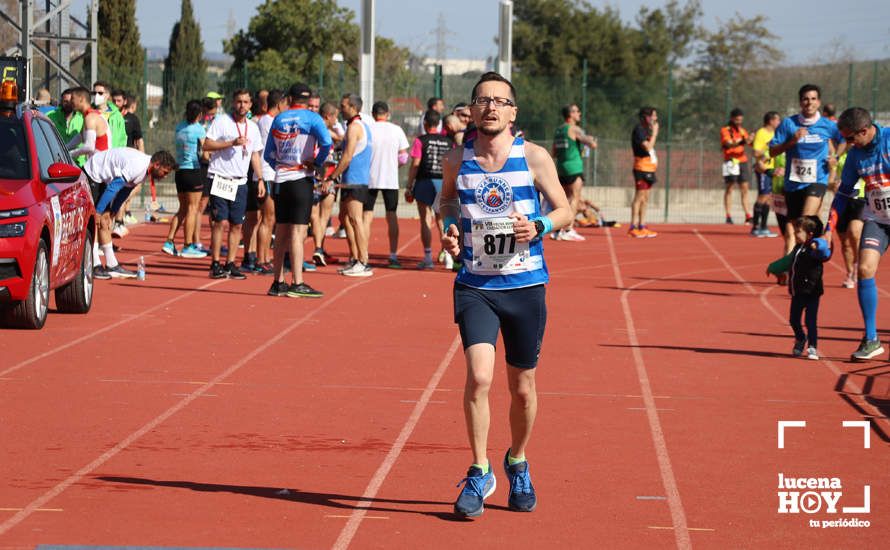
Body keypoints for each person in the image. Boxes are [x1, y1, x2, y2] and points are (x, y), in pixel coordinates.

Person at [439, 71, 573, 518]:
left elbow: (565, 208)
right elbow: (446, 204)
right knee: (479, 377)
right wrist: (449, 229)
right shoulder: (457, 158)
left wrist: (539, 226)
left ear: (513, 111)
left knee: (522, 389)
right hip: (476, 285)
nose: (491, 107)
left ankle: (517, 460)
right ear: (472, 110)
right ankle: (479, 471)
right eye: (483, 100)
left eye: (500, 101)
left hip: (525, 285)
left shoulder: (532, 157)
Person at [827, 107, 890, 360]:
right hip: (877, 219)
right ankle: (872, 338)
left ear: (864, 130)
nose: (848, 144)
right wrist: (827, 230)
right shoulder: (855, 156)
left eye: (851, 138)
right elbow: (843, 194)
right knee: (864, 269)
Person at [263, 83, 332, 297]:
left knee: (281, 231)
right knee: (298, 231)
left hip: (280, 180)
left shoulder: (279, 118)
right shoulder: (312, 118)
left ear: (290, 98)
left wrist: (281, 168)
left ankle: (277, 282)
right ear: (308, 99)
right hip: (301, 178)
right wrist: (316, 163)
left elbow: (268, 155)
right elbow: (327, 143)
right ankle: (297, 282)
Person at [201, 88, 266, 280]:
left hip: (240, 181)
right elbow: (206, 145)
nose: (242, 106)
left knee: (237, 224)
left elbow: (254, 154)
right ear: (233, 102)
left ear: (251, 104)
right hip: (220, 177)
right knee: (220, 221)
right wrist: (231, 143)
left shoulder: (253, 127)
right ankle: (215, 263)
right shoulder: (222, 122)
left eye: (246, 102)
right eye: (239, 102)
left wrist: (260, 179)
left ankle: (230, 263)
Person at [83, 148, 177, 278]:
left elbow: (124, 191)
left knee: (105, 221)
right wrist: (98, 211)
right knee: (95, 220)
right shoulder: (138, 167)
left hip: (104, 178)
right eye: (164, 172)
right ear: (157, 165)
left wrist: (113, 212)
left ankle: (111, 264)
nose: (165, 176)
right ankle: (94, 265)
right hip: (93, 173)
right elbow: (114, 186)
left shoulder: (144, 172)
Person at [769, 84, 844, 237]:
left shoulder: (828, 125)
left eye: (813, 99)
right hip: (794, 183)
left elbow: (843, 140)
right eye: (805, 99)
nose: (809, 102)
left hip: (817, 180)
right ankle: (817, 245)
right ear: (800, 102)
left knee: (804, 224)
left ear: (819, 102)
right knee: (799, 232)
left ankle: (817, 247)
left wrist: (835, 157)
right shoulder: (788, 124)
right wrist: (792, 141)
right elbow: (772, 151)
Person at [766, 216, 831, 360]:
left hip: (812, 292)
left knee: (810, 321)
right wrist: (773, 267)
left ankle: (812, 346)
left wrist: (818, 244)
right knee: (793, 320)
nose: (795, 234)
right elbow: (787, 261)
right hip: (797, 292)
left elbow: (825, 252)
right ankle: (800, 338)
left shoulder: (814, 249)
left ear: (810, 234)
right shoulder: (797, 248)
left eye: (798, 232)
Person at [325, 93, 374, 277]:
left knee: (355, 220)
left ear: (353, 107)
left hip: (355, 180)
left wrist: (332, 177)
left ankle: (363, 261)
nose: (340, 108)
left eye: (343, 106)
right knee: (345, 219)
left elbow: (347, 157)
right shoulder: (361, 127)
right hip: (351, 180)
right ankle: (355, 258)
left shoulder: (355, 127)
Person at [244, 88, 285, 274]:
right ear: (279, 104)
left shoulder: (265, 121)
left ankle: (264, 257)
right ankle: (261, 260)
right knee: (268, 219)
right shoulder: (269, 122)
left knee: (267, 218)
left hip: (266, 174)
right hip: (266, 174)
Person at [406, 110, 454, 269]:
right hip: (443, 181)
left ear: (425, 123)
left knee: (425, 218)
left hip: (425, 181)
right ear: (439, 124)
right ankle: (448, 256)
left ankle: (427, 257)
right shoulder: (448, 141)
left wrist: (409, 185)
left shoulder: (421, 140)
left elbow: (415, 164)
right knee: (442, 219)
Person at [162, 100, 207, 259]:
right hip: (193, 171)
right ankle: (188, 245)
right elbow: (205, 152)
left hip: (180, 171)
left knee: (182, 208)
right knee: (193, 209)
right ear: (200, 114)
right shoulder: (199, 129)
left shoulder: (179, 127)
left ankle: (169, 241)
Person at [366, 101, 409, 268]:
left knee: (366, 216)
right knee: (391, 215)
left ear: (373, 113)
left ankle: (363, 254)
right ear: (388, 113)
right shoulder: (396, 129)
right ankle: (393, 255)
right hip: (390, 179)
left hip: (370, 178)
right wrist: (394, 165)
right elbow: (404, 157)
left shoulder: (368, 129)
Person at [552, 103, 597, 241]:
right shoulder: (574, 129)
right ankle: (568, 228)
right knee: (575, 198)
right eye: (577, 111)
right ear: (570, 114)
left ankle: (558, 230)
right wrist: (591, 140)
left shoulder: (559, 131)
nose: (579, 114)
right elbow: (591, 143)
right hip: (574, 168)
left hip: (561, 167)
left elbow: (553, 152)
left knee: (564, 200)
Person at [310, 102, 343, 266]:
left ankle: (319, 249)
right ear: (328, 116)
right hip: (325, 178)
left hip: (314, 178)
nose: (336, 120)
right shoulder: (325, 133)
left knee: (314, 217)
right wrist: (326, 179)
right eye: (335, 116)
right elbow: (327, 160)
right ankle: (318, 248)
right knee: (323, 217)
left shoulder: (312, 129)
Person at [831, 151, 866, 289]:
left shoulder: (863, 155)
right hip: (841, 201)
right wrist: (833, 185)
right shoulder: (839, 157)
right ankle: (850, 272)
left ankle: (858, 265)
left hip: (860, 199)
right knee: (845, 242)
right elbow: (830, 180)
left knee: (854, 232)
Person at [629, 107, 658, 238]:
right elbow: (647, 146)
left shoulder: (646, 130)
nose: (655, 119)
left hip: (649, 168)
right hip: (641, 167)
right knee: (639, 197)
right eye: (653, 116)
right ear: (647, 117)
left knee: (645, 198)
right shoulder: (639, 130)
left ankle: (642, 225)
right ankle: (633, 226)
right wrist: (655, 133)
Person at [720, 108, 753, 225]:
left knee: (745, 188)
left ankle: (748, 215)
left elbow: (749, 142)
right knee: (730, 188)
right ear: (732, 118)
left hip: (742, 161)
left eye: (741, 120)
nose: (739, 122)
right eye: (737, 120)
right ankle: (728, 215)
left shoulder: (742, 130)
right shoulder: (725, 130)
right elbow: (728, 144)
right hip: (730, 161)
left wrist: (751, 140)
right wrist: (741, 141)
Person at [750, 111, 781, 237]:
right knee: (762, 196)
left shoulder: (775, 134)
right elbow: (756, 152)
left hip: (773, 170)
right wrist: (768, 151)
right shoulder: (761, 133)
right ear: (771, 121)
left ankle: (764, 227)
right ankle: (755, 227)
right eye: (777, 120)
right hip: (763, 169)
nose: (779, 122)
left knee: (768, 199)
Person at [47, 88, 85, 165]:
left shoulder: (82, 117)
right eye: (65, 101)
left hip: (78, 163)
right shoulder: (50, 116)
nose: (68, 104)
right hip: (57, 161)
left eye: (71, 101)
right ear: (61, 102)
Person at [91, 81, 127, 148]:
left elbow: (122, 139)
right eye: (94, 93)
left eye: (100, 93)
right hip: (93, 155)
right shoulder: (87, 113)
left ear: (107, 95)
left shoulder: (117, 115)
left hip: (112, 155)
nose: (96, 96)